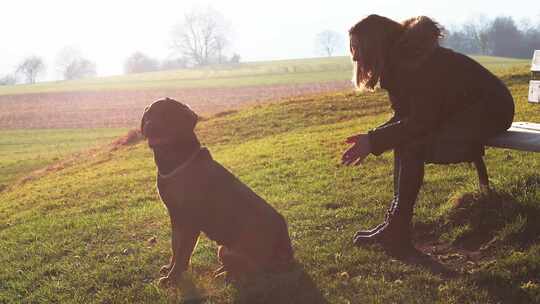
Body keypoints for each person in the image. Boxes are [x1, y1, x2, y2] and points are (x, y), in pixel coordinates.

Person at [342, 15, 514, 254]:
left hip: (490, 111)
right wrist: (372, 137)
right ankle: (396, 226)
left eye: (358, 48)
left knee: (412, 144)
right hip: (461, 113)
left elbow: (421, 121)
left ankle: (398, 228)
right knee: (406, 139)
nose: (354, 56)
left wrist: (373, 140)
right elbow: (408, 117)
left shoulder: (414, 63)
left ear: (375, 45)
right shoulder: (402, 61)